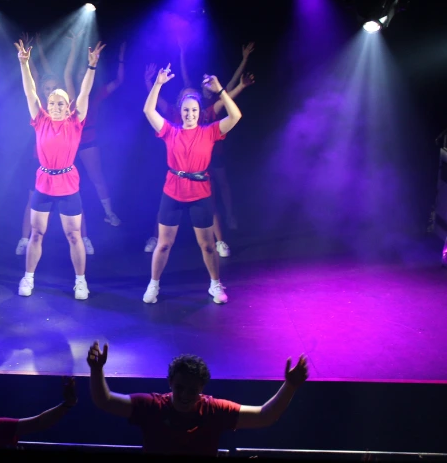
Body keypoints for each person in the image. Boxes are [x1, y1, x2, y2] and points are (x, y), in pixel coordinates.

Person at [87, 341, 309, 457]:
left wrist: (290, 386)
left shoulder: (214, 410)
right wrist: (96, 371)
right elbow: (104, 401)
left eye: (192, 390)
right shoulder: (153, 406)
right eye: (180, 388)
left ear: (202, 388)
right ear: (170, 383)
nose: (185, 396)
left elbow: (264, 416)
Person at [142, 65, 242, 304]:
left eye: (194, 110)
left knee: (207, 246)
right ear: (181, 111)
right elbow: (148, 110)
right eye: (186, 110)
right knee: (164, 244)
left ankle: (215, 285)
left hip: (200, 193)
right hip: (173, 192)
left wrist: (221, 92)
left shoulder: (209, 132)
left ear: (199, 112)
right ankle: (153, 285)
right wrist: (157, 84)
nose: (190, 114)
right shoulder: (170, 131)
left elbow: (235, 116)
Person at [16, 38, 105, 300]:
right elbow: (29, 92)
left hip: (67, 183)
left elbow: (85, 93)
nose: (55, 107)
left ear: (68, 107)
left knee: (74, 235)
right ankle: (28, 277)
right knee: (37, 233)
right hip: (44, 182)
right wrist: (24, 63)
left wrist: (91, 68)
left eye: (61, 103)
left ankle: (80, 281)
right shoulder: (40, 119)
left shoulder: (75, 121)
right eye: (52, 103)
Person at [65, 39, 125, 227]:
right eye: (81, 74)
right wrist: (74, 47)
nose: (84, 76)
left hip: (88, 139)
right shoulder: (72, 94)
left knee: (96, 177)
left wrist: (121, 58)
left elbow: (119, 81)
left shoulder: (96, 93)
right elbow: (67, 74)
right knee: (65, 180)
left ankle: (109, 212)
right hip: (69, 141)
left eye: (87, 73)